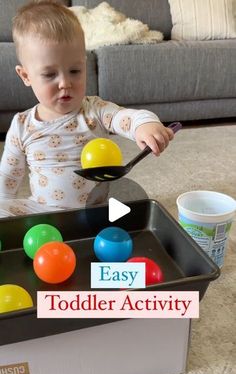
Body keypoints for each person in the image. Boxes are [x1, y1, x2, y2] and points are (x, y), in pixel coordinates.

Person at [0, 0, 175, 217]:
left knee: (136, 207)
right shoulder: (22, 125)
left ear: (84, 64)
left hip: (95, 209)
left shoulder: (95, 111)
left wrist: (144, 125)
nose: (65, 83)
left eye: (74, 71)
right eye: (50, 74)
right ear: (25, 75)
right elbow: (8, 178)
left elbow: (124, 117)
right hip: (43, 212)